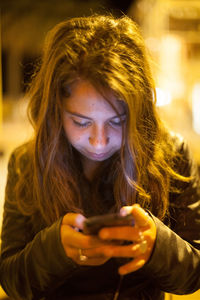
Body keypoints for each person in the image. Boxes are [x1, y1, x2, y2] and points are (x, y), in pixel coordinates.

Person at [0, 14, 200, 300]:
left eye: (117, 121)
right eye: (81, 122)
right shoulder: (28, 162)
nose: (99, 140)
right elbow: (11, 280)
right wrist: (54, 250)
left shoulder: (172, 155)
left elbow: (193, 275)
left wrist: (157, 246)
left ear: (138, 111)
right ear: (55, 111)